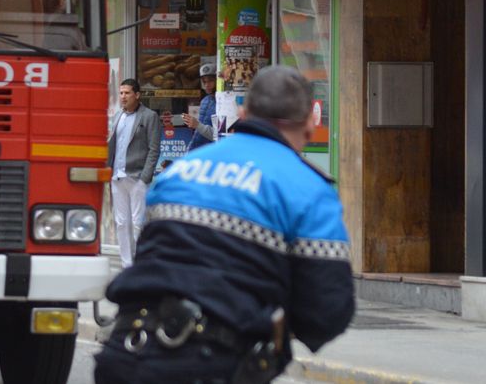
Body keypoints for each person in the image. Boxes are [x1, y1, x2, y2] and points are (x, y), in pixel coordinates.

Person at [94, 66, 354, 384]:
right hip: (211, 362)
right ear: (312, 124)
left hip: (125, 352)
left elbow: (152, 256)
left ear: (243, 113)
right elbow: (327, 310)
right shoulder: (309, 188)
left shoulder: (180, 171)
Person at [106, 79, 161, 269]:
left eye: (127, 93)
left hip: (137, 177)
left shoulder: (149, 116)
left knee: (138, 222)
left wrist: (145, 177)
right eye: (121, 93)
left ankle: (140, 264)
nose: (123, 97)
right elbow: (111, 145)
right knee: (121, 223)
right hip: (117, 176)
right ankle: (126, 265)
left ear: (137, 95)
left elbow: (154, 149)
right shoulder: (118, 116)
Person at [183, 62, 218, 151]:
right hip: (197, 151)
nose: (207, 85)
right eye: (204, 81)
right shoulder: (205, 101)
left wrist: (197, 125)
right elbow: (198, 133)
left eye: (210, 81)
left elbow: (219, 135)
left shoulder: (223, 103)